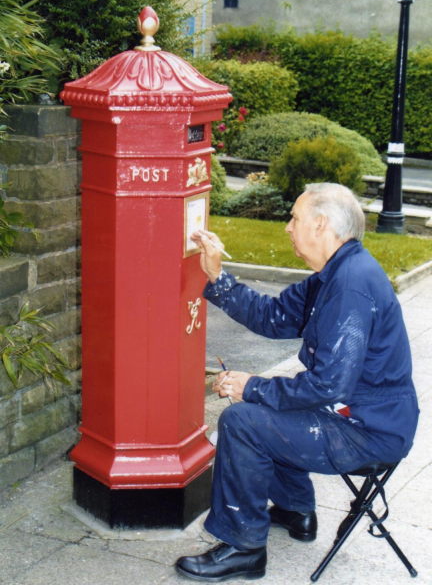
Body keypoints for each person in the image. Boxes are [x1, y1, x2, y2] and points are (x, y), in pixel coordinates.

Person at [175, 183, 419, 582]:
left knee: (242, 421)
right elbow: (273, 317)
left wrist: (251, 386)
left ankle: (244, 547)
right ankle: (294, 509)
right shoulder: (332, 273)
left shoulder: (351, 285)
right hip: (357, 413)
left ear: (320, 225)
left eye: (295, 218)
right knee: (270, 406)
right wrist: (217, 275)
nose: (288, 227)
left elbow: (328, 387)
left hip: (370, 430)